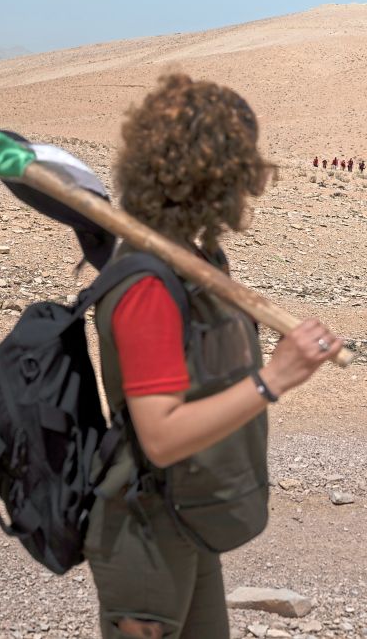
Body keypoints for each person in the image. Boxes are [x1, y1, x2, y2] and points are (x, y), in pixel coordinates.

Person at [86, 73, 343, 639]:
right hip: (145, 534)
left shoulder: (196, 263)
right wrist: (274, 378)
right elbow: (161, 434)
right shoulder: (147, 287)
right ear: (219, 175)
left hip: (188, 516)